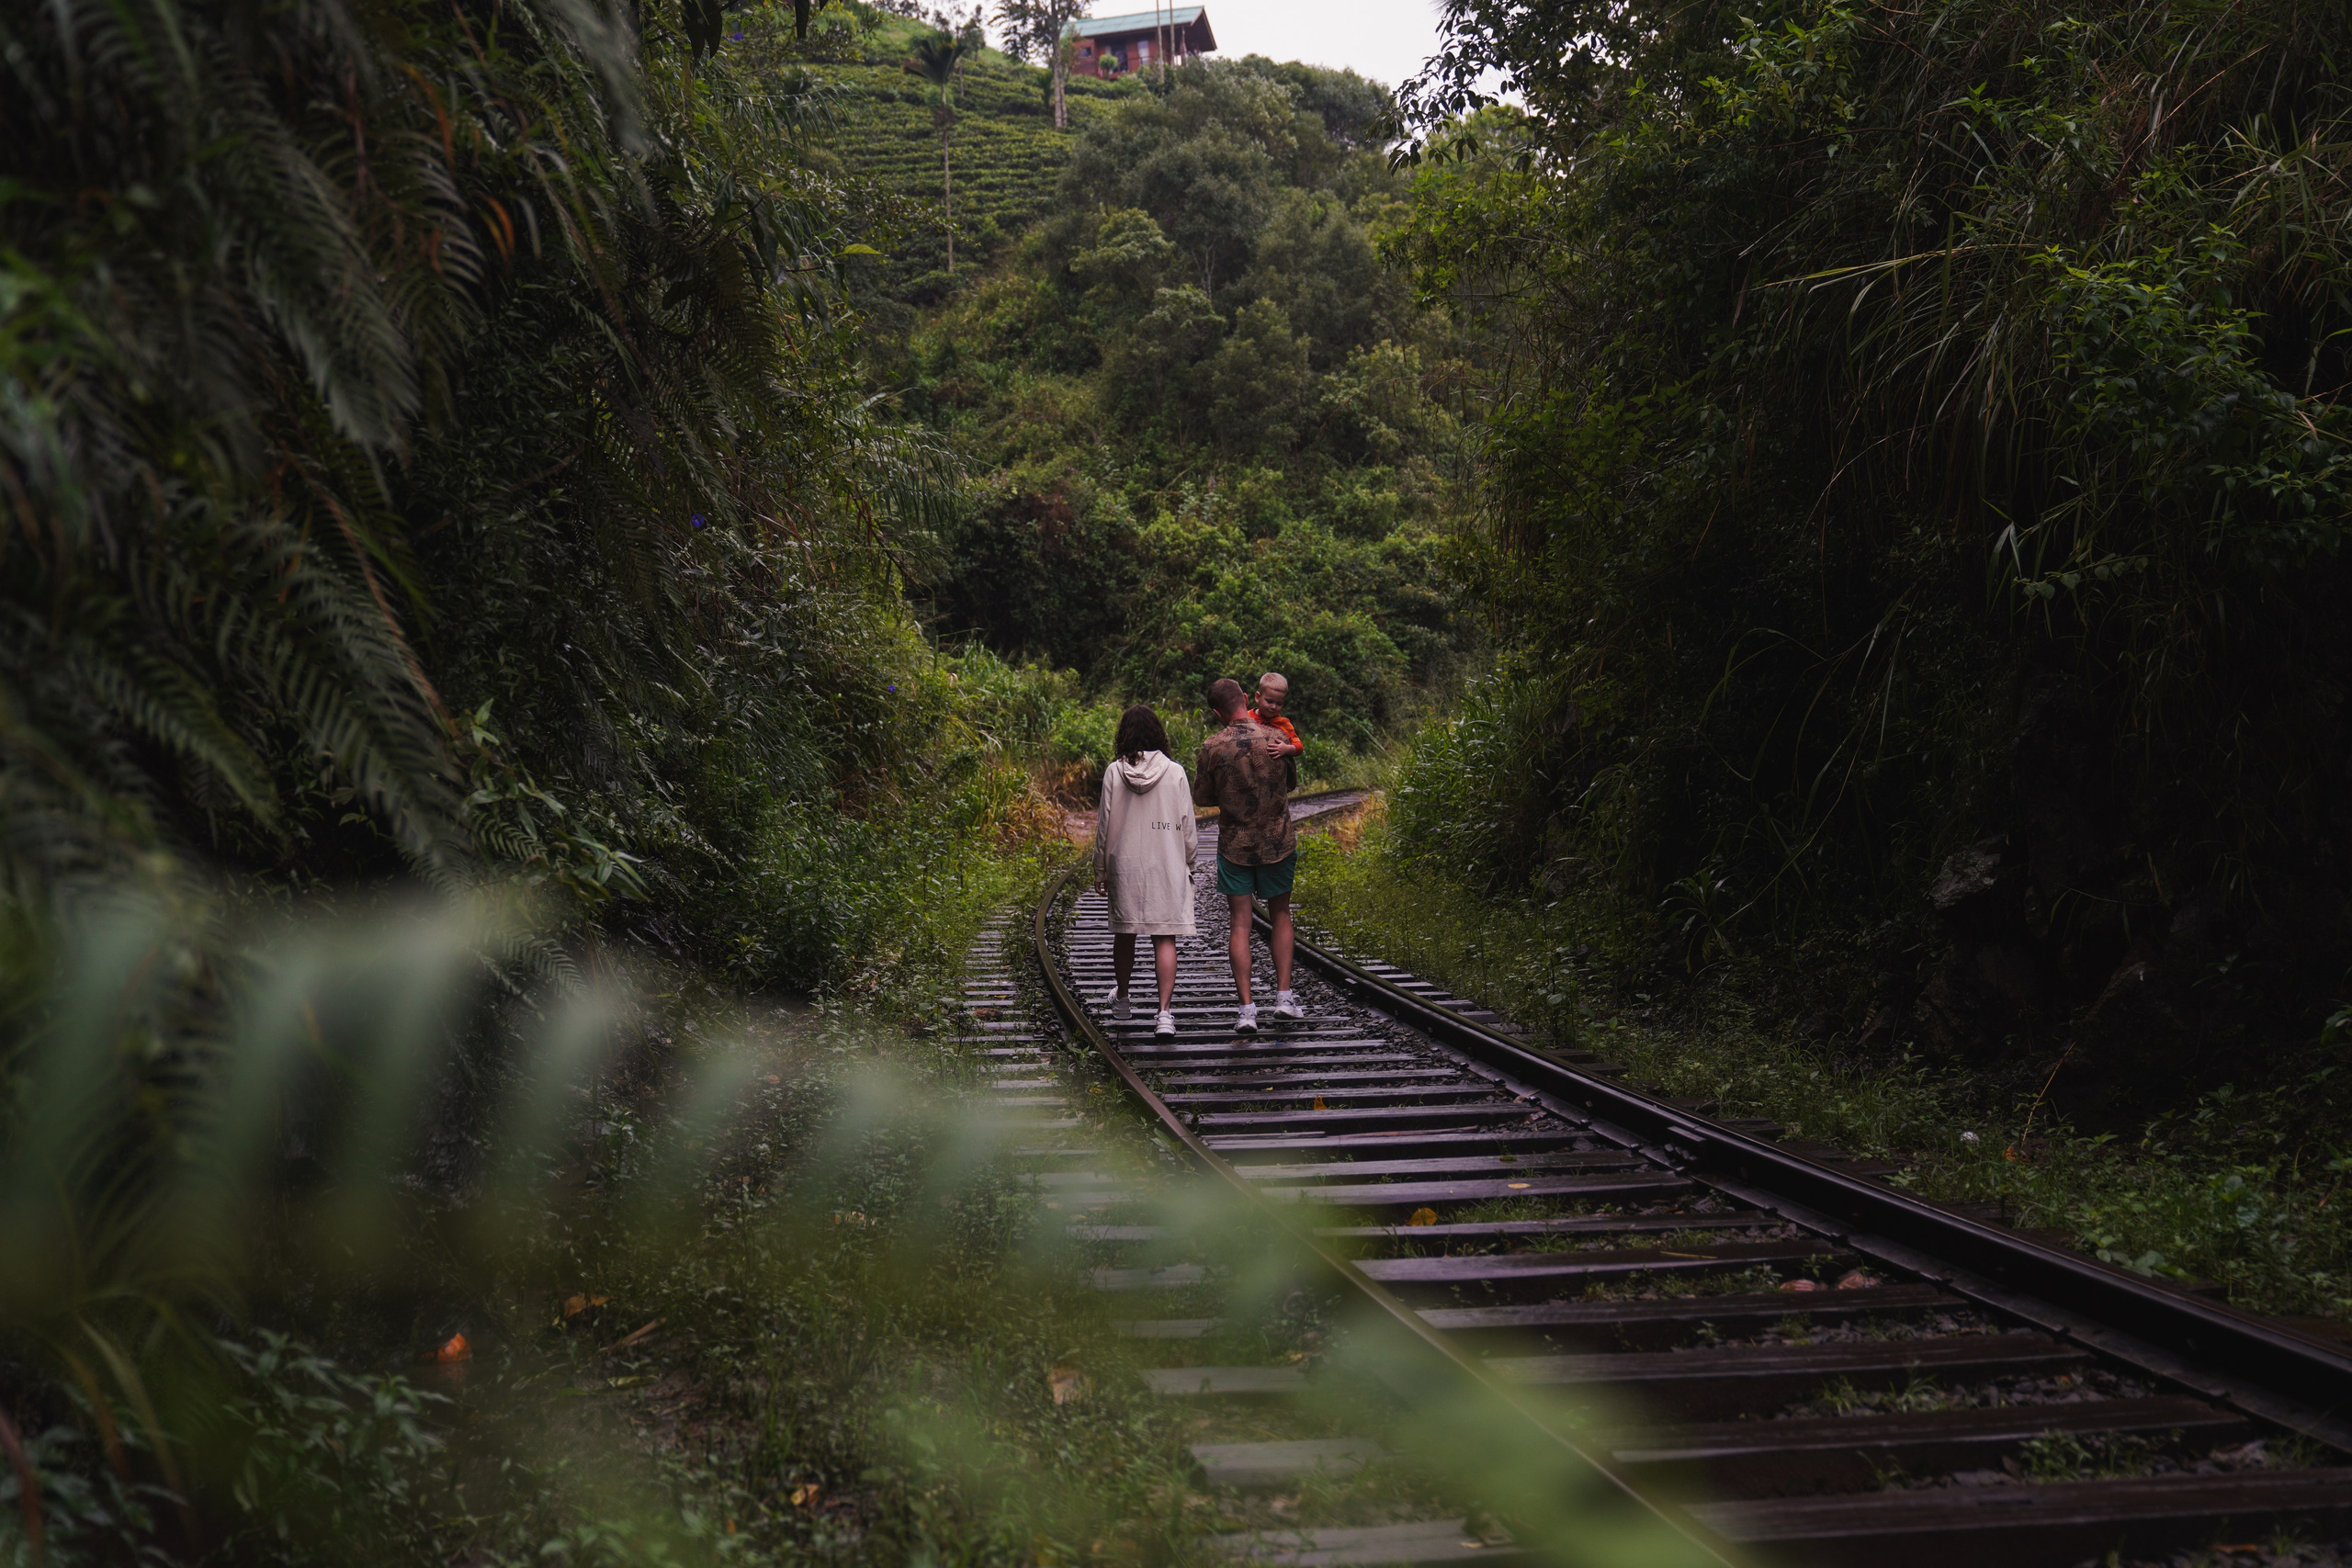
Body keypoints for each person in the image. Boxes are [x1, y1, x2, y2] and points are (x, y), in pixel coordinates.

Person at [1192, 678, 1302, 1033]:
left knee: (1240, 923)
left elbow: (1203, 797)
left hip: (1235, 847)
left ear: (1215, 711)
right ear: (1245, 698)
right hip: (1278, 843)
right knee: (1280, 913)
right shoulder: (1280, 739)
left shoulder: (1212, 746)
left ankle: (1246, 1010)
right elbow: (1290, 784)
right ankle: (1284, 999)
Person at [1093, 704, 1196, 1038]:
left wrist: (1100, 869)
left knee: (1125, 934)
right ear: (1158, 734)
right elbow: (1187, 825)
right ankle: (1164, 1014)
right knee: (1164, 936)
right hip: (1166, 862)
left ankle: (1122, 999)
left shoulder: (1114, 772)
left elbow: (1105, 825)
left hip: (1126, 865)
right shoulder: (1176, 771)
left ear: (1124, 734)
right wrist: (1189, 862)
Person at [1250, 671, 1303, 787]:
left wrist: (1286, 749)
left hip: (1272, 779)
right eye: (1269, 701)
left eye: (1279, 703)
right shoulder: (1247, 717)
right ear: (1257, 697)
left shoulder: (1283, 723)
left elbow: (1299, 746)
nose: (1273, 707)